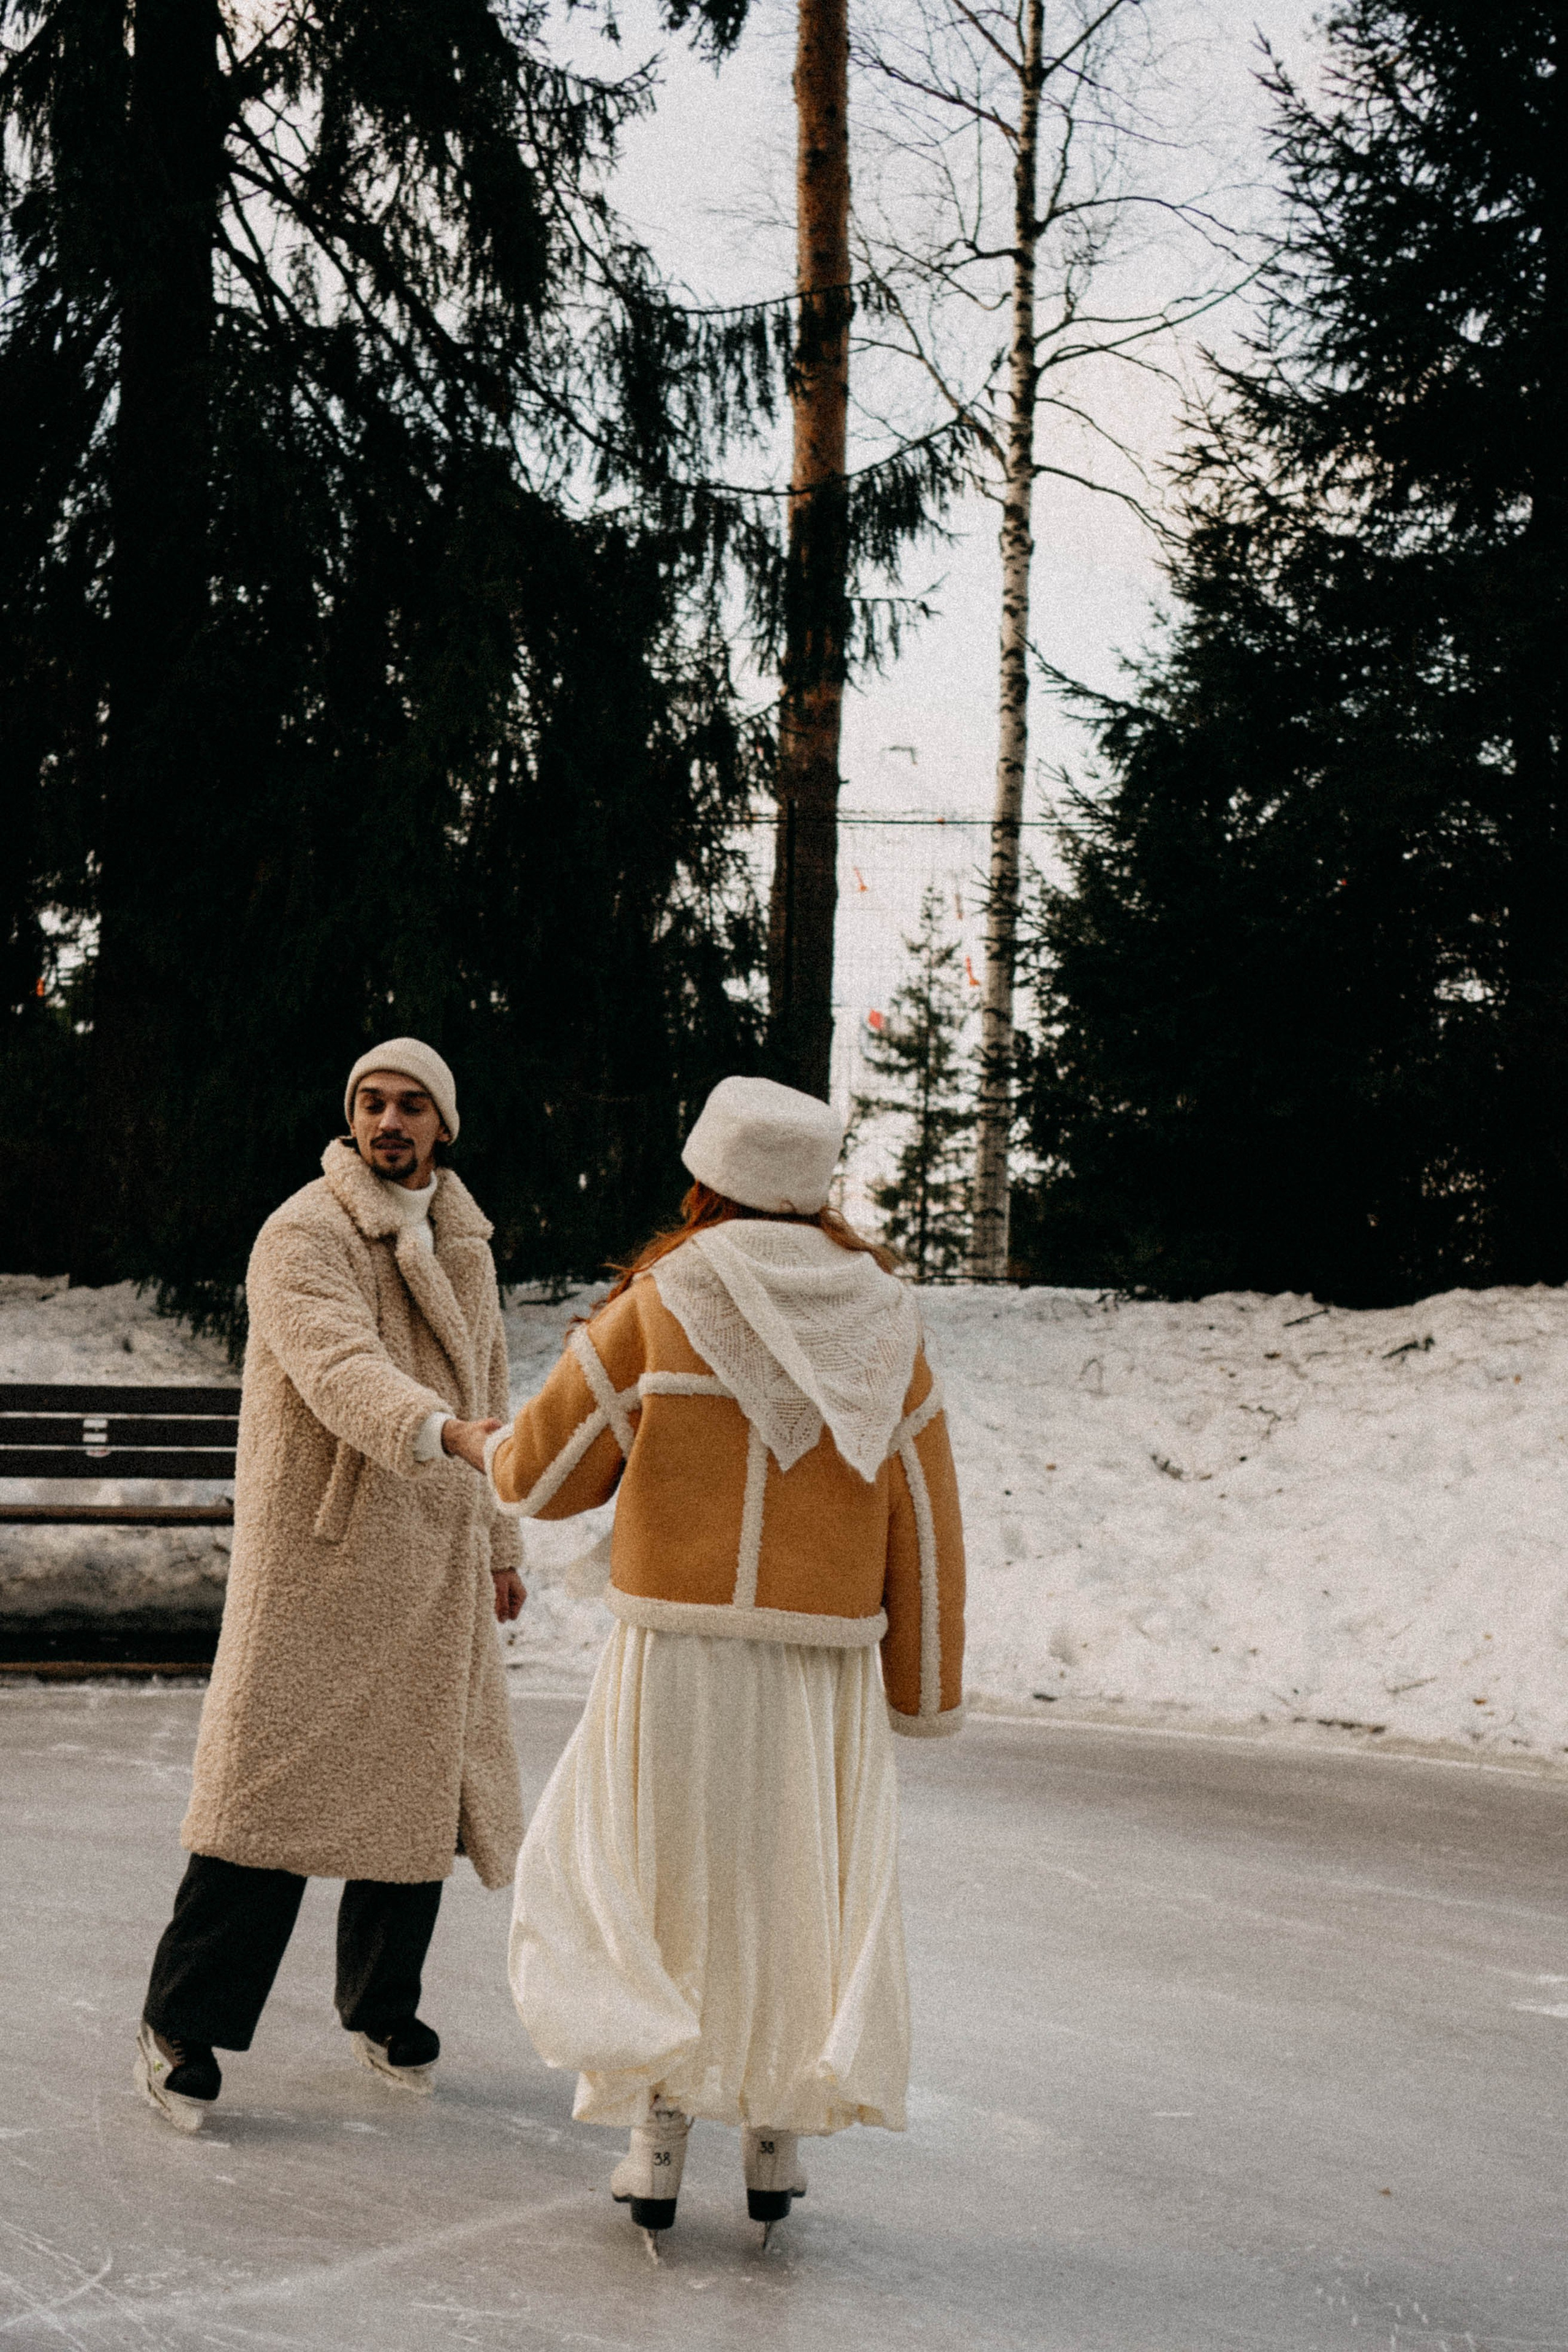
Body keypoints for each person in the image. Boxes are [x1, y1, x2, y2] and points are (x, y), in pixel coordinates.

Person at [455, 1074, 965, 2245]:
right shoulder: (888, 1318)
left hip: (675, 1655)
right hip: (818, 1672)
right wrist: (924, 1684)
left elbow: (540, 1476)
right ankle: (776, 2135)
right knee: (793, 1889)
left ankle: (657, 2137)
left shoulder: (663, 1299)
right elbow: (926, 1514)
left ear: (709, 1177)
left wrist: (487, 1447)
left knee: (656, 1881)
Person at [134, 1039, 526, 2132]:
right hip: (324, 1556)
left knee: (414, 1783)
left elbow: (492, 1383)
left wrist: (501, 1545)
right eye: (372, 1103)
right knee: (268, 1793)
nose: (388, 1122)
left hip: (435, 1542)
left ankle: (381, 2007)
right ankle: (180, 2022)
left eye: (411, 1106)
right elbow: (339, 1368)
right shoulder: (303, 1231)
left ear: (444, 1126)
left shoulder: (465, 1241)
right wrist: (447, 1434)